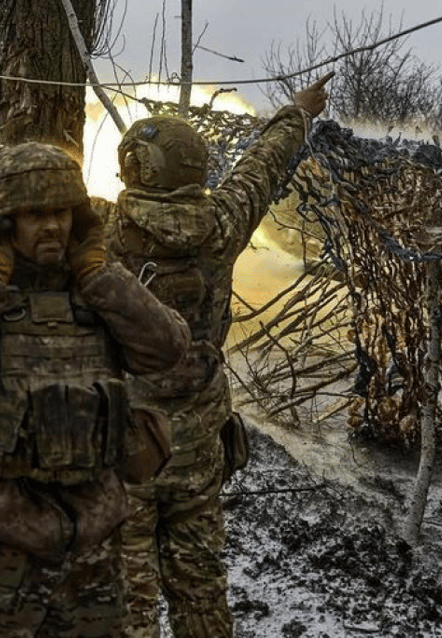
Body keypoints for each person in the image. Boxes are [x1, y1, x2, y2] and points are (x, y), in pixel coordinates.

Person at [0, 139, 191, 637]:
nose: (52, 225)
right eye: (34, 214)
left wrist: (99, 274)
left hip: (94, 548)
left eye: (61, 211)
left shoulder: (100, 296)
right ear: (4, 223)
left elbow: (167, 349)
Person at [110, 72, 333, 638]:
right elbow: (264, 162)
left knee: (126, 601)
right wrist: (299, 111)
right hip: (198, 449)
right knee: (201, 592)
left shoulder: (99, 231)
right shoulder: (224, 224)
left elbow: (17, 180)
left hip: (123, 449)